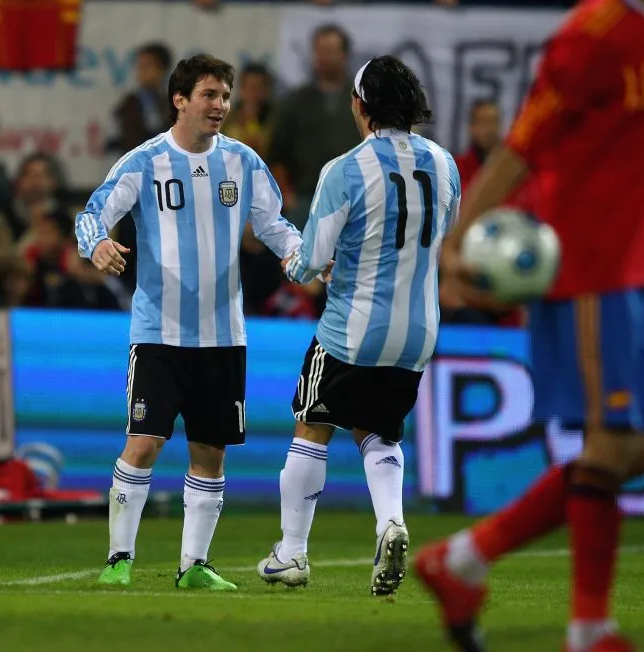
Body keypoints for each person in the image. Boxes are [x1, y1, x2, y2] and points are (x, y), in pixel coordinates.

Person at [414, 1, 644, 651]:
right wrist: (455, 242)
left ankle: (461, 561)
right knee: (610, 442)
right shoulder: (591, 35)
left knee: (636, 451)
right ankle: (589, 629)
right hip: (585, 261)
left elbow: (624, 138)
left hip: (625, 255)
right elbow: (522, 145)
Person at [75, 53, 302, 590]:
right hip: (159, 331)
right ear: (180, 99)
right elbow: (92, 213)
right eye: (209, 95)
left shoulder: (244, 162)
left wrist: (299, 257)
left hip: (224, 334)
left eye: (225, 95)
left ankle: (193, 567)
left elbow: (276, 225)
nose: (220, 105)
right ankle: (119, 560)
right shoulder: (143, 162)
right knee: (145, 440)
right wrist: (99, 245)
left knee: (210, 451)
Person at [255, 56, 458, 596]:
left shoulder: (344, 169)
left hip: (353, 326)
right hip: (418, 332)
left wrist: (300, 260)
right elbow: (439, 238)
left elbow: (308, 262)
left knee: (312, 424)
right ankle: (391, 521)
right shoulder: (446, 165)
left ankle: (292, 553)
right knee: (379, 430)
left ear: (361, 104)